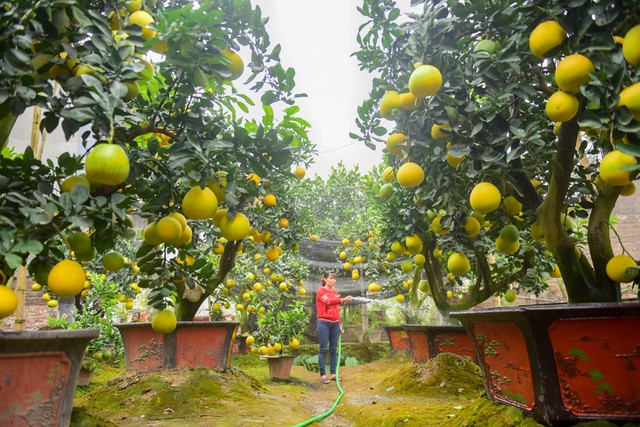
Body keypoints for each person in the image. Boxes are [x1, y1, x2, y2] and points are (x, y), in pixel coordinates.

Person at [316, 271, 352, 384]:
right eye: (331, 278)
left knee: (333, 350)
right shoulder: (321, 291)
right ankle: (323, 375)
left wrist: (340, 324)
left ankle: (333, 374)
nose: (333, 280)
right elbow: (328, 302)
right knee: (323, 349)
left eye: (334, 279)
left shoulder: (336, 292)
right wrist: (343, 300)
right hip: (323, 323)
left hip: (335, 323)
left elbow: (336, 309)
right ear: (325, 279)